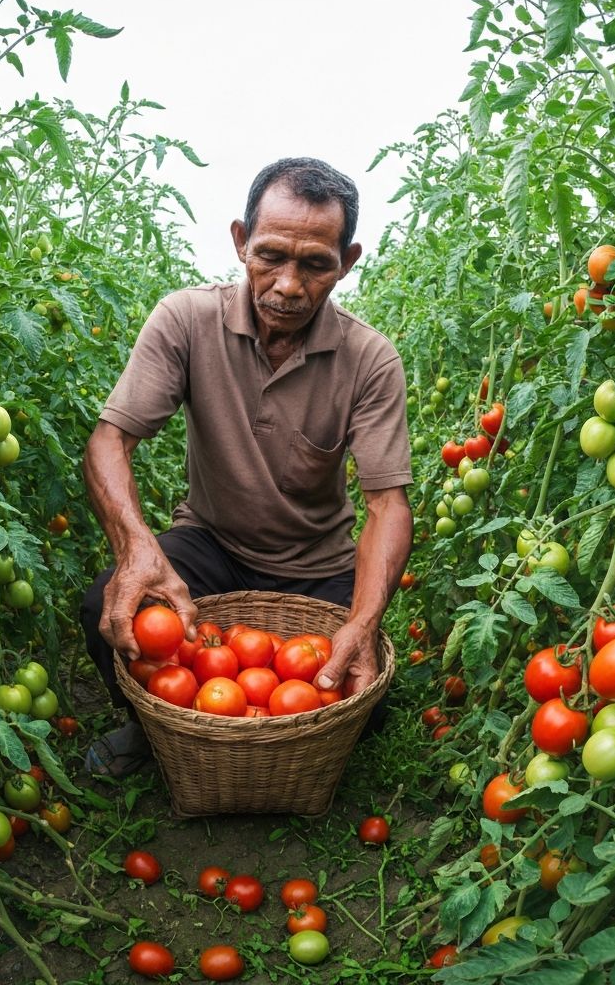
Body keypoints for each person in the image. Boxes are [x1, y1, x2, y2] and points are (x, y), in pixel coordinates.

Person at [81, 157, 413, 775]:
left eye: (315, 264)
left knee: (356, 687)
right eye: (270, 256)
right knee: (110, 600)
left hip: (319, 567)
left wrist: (363, 620)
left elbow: (386, 505)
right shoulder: (185, 320)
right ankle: (153, 736)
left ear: (347, 261)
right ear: (239, 241)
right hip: (212, 543)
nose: (288, 285)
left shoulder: (370, 361)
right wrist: (137, 549)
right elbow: (109, 442)